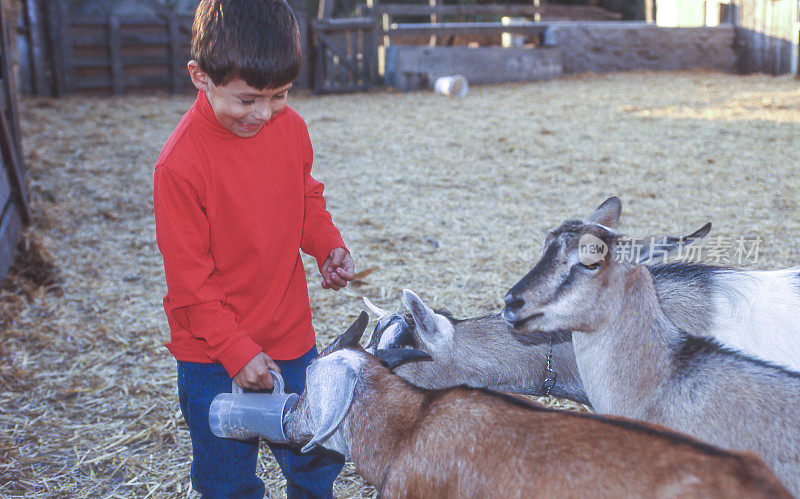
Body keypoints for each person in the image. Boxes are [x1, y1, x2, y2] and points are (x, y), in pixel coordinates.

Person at [152, 0, 355, 497]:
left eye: (279, 95)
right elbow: (188, 283)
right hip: (212, 357)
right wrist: (235, 351)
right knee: (226, 478)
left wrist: (326, 244)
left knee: (314, 455)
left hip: (290, 336)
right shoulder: (179, 165)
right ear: (201, 77)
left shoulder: (291, 130)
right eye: (247, 99)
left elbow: (304, 196)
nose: (264, 113)